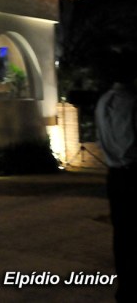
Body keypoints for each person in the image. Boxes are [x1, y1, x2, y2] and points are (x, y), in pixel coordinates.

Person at [94, 49, 137, 302]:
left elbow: (101, 140)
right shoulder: (133, 101)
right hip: (133, 173)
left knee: (121, 233)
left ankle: (125, 287)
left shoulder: (102, 101)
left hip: (114, 176)